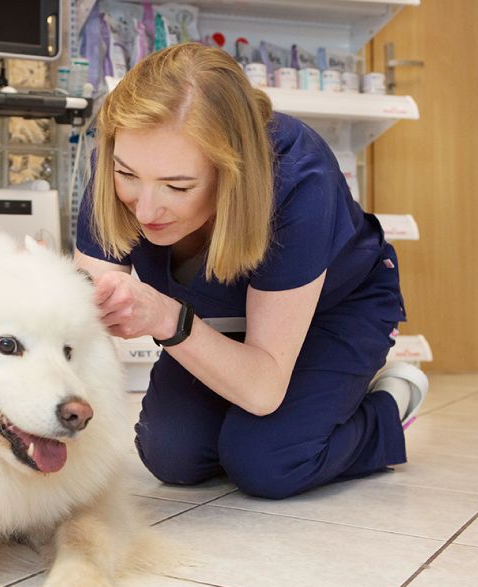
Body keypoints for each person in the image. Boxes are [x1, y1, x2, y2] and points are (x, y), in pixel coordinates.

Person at [74, 43, 429, 499]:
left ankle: (386, 403)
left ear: (231, 171)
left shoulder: (299, 180)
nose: (145, 208)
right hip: (223, 319)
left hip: (335, 309)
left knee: (268, 461)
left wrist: (167, 320)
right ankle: (287, 411)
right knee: (173, 455)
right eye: (127, 176)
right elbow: (82, 325)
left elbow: (262, 390)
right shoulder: (124, 161)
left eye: (177, 186)